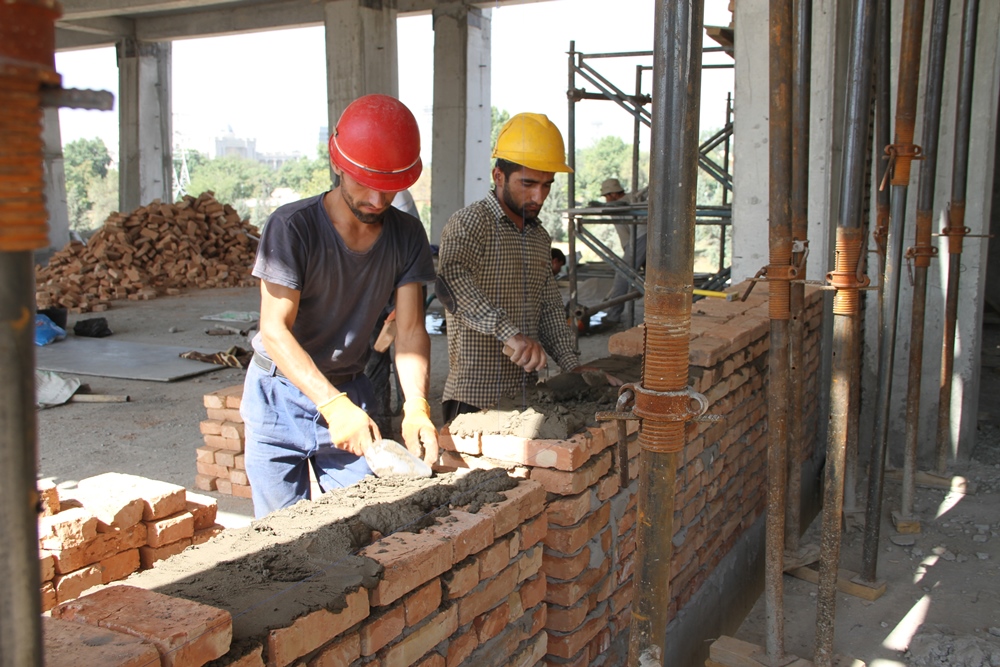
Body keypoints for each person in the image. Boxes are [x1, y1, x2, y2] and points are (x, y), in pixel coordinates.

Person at [241, 95, 438, 518]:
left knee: (363, 524)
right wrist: (330, 405)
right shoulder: (292, 228)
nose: (378, 199)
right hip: (279, 395)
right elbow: (274, 330)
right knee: (282, 536)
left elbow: (408, 331)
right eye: (365, 183)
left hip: (352, 388)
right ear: (338, 164)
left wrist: (416, 406)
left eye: (390, 187)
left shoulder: (406, 235)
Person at [437, 112, 608, 422]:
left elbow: (550, 308)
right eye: (528, 184)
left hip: (527, 395)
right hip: (474, 398)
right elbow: (453, 282)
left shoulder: (538, 236)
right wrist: (510, 334)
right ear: (498, 176)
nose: (538, 197)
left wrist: (572, 365)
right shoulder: (470, 223)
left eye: (546, 185)